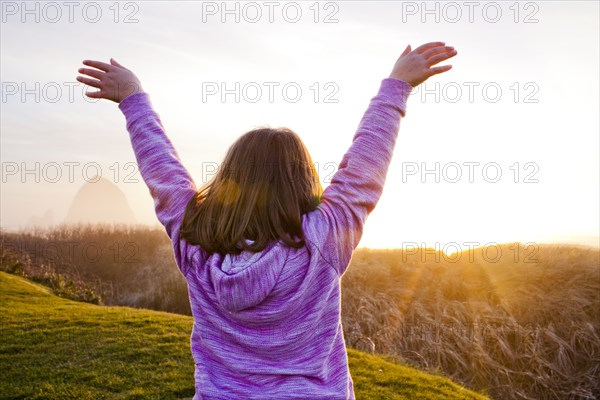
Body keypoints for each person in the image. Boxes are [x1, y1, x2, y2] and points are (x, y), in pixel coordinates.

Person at [76, 41, 457, 400]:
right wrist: (396, 87)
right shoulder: (323, 240)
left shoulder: (195, 242)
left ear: (229, 180)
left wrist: (133, 98)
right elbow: (363, 167)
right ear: (303, 182)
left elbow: (164, 172)